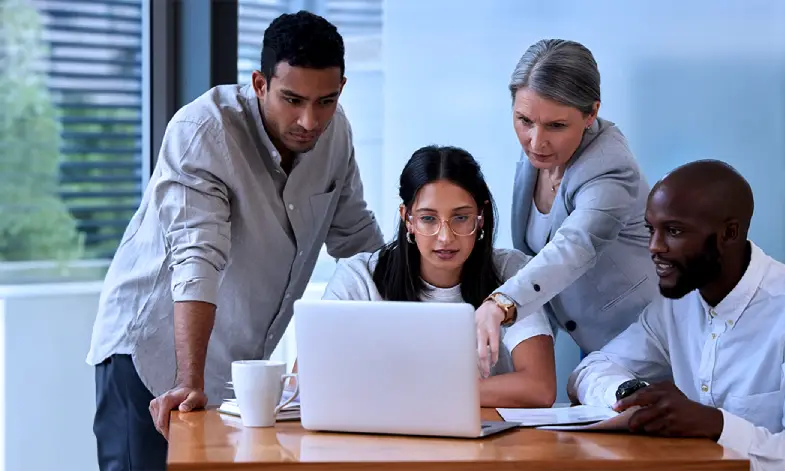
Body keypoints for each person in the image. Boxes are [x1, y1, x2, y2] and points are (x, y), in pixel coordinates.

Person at [84, 11, 384, 470]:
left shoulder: (334, 132)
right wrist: (189, 379)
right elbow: (196, 257)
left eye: (325, 100)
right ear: (259, 83)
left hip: (235, 373)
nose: (309, 119)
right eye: (292, 99)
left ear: (341, 88)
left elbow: (359, 241)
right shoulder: (204, 131)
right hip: (152, 358)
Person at [567, 160, 785, 471]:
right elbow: (590, 370)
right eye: (651, 229)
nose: (654, 247)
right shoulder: (676, 305)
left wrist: (717, 424)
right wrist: (631, 395)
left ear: (729, 233)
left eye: (673, 231)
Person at [321, 145, 557, 408]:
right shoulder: (360, 277)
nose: (445, 237)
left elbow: (539, 387)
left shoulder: (511, 273)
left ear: (480, 218)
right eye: (428, 218)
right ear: (407, 218)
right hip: (382, 442)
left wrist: (417, 392)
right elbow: (309, 379)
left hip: (485, 442)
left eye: (461, 218)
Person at [473, 38, 657, 376]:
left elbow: (573, 248)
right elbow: (533, 261)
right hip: (594, 352)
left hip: (651, 348)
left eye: (556, 125)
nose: (536, 140)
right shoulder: (540, 154)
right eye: (524, 120)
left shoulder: (610, 168)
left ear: (591, 113)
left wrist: (501, 302)